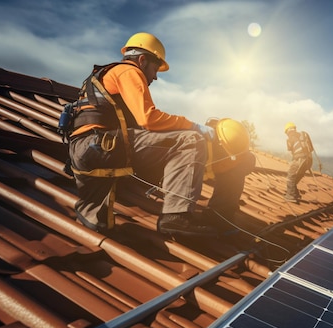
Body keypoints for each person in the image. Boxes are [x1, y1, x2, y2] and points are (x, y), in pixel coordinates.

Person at [64, 32, 253, 237]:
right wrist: (192, 126)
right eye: (155, 68)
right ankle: (176, 217)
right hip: (102, 147)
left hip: (88, 151)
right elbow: (148, 119)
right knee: (190, 141)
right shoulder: (128, 71)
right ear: (142, 60)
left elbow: (143, 129)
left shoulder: (107, 76)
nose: (154, 76)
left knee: (174, 143)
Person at [284, 122, 314, 202]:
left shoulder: (290, 137)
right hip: (309, 160)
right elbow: (311, 149)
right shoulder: (303, 135)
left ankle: (290, 196)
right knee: (297, 177)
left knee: (291, 176)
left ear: (287, 130)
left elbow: (291, 150)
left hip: (300, 159)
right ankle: (296, 194)